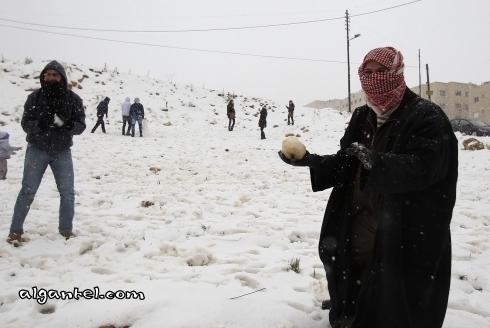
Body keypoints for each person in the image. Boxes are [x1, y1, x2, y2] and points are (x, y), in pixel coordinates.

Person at [278, 47, 458, 328]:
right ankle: (350, 313)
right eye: (368, 72)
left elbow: (427, 167)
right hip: (359, 210)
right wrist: (309, 161)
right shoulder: (363, 115)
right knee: (346, 259)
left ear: (397, 73)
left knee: (392, 280)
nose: (374, 79)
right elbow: (346, 162)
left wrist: (379, 162)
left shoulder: (426, 116)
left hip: (403, 220)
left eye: (382, 72)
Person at [8, 60, 86, 245]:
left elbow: (81, 126)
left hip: (62, 151)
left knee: (67, 192)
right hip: (37, 149)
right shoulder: (35, 98)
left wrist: (67, 125)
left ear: (62, 77)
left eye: (54, 75)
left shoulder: (73, 99)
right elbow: (26, 124)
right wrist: (39, 124)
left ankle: (66, 230)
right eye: (47, 75)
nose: (50, 78)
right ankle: (15, 232)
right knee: (27, 191)